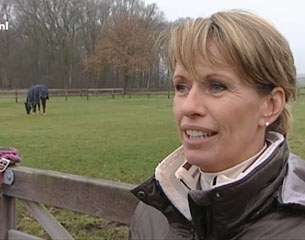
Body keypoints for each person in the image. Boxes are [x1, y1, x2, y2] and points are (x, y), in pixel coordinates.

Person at [129, 10, 305, 240]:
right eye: (181, 86)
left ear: (271, 105)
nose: (188, 106)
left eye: (217, 86)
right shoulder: (155, 209)